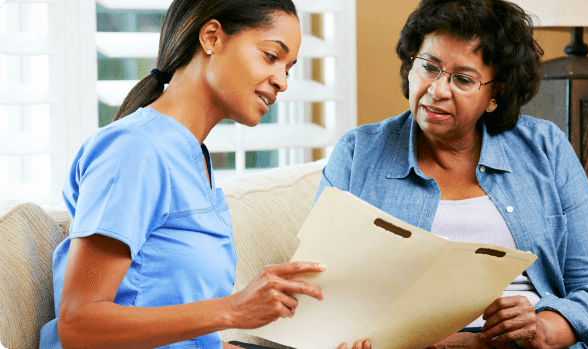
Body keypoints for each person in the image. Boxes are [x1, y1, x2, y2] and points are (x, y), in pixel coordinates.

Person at [38, 1, 370, 348]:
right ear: (212, 37)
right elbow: (80, 324)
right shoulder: (134, 151)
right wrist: (233, 310)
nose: (282, 82)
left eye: (289, 68)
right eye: (272, 56)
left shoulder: (193, 158)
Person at [314, 0, 588, 348]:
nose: (437, 90)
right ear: (410, 65)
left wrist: (542, 329)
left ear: (495, 93)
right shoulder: (359, 153)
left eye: (463, 79)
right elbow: (319, 291)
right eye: (428, 67)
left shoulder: (545, 148)